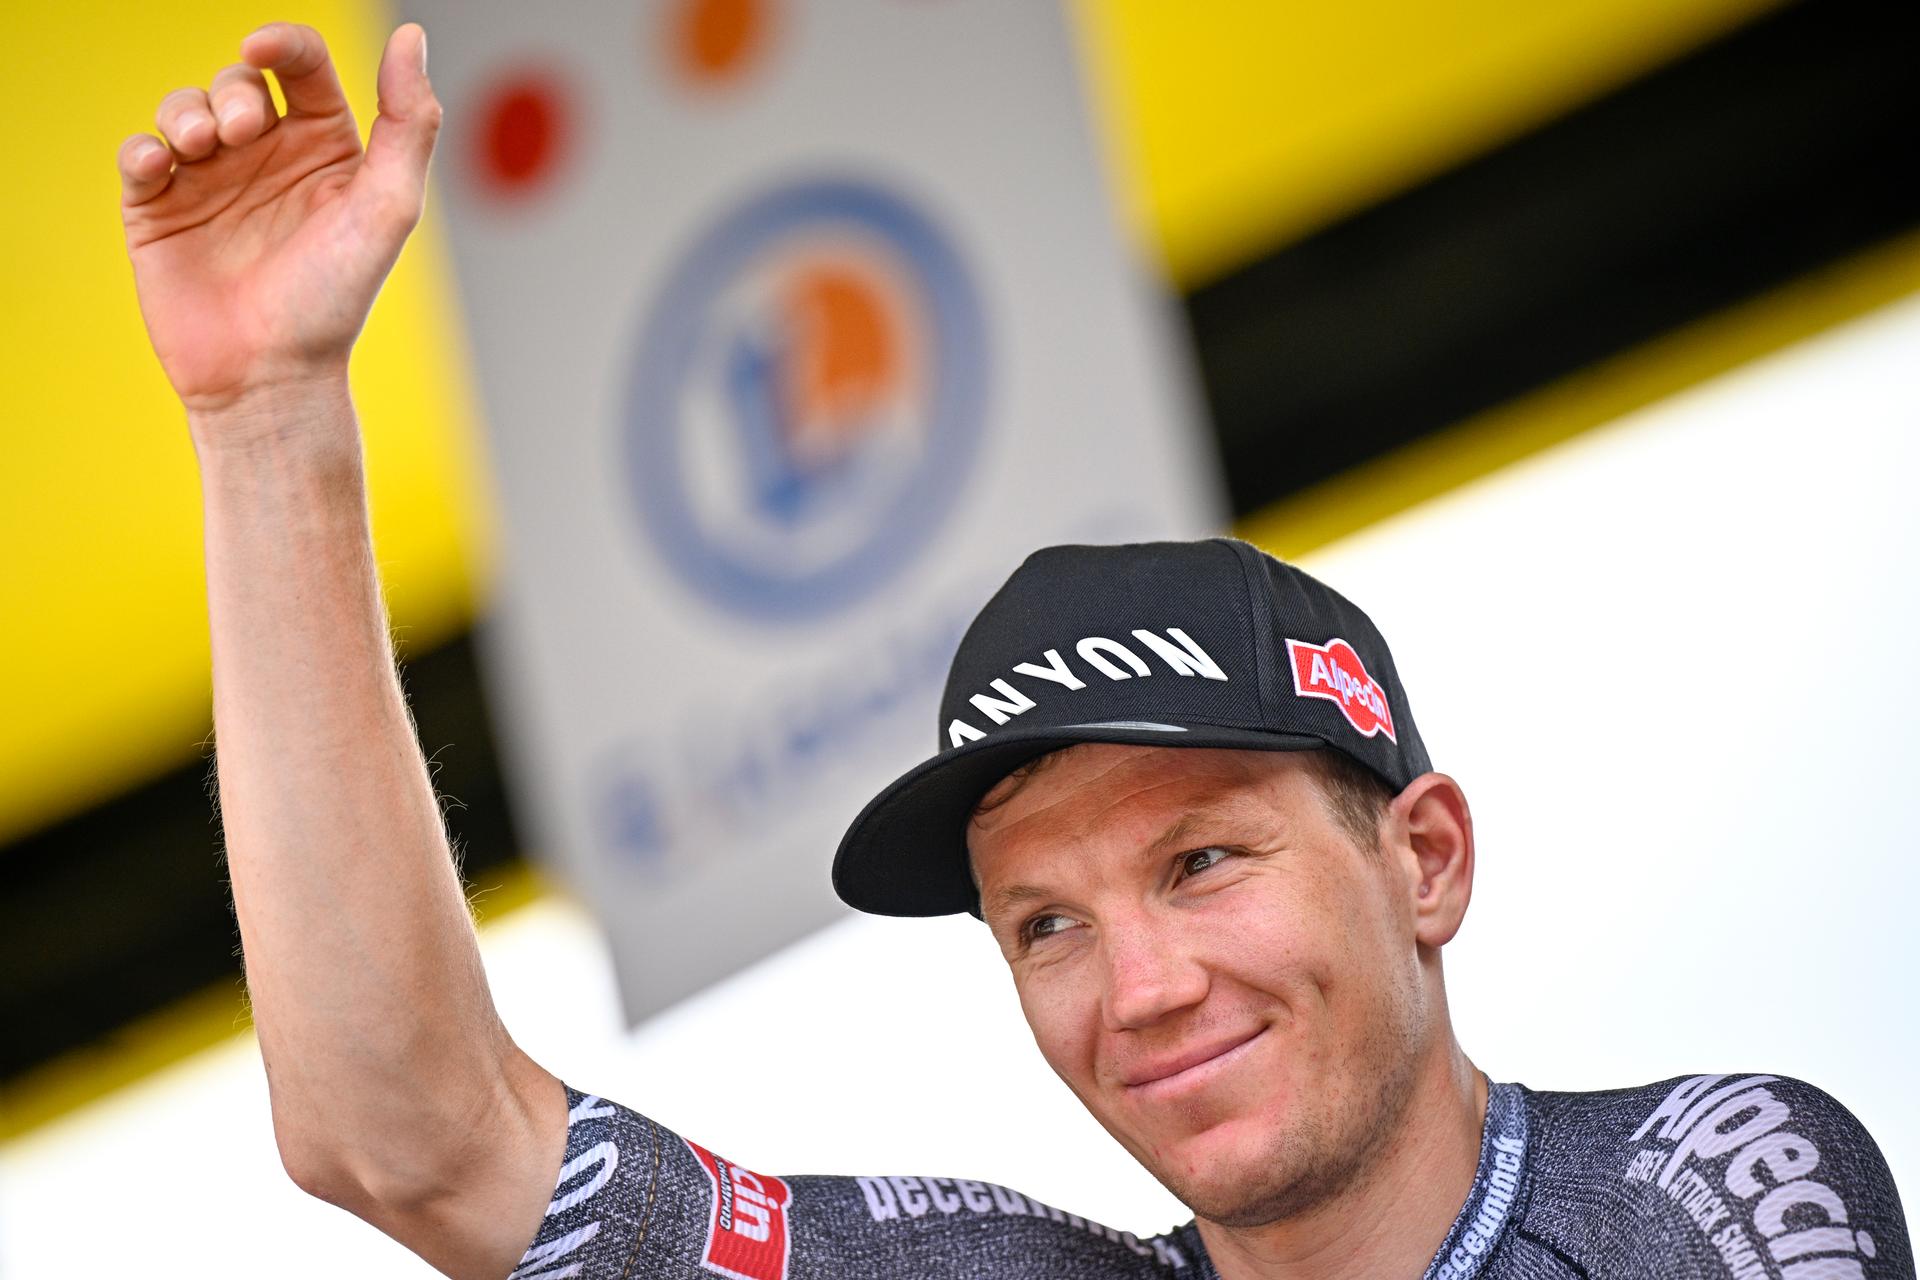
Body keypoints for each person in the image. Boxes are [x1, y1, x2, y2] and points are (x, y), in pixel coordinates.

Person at [117, 22, 1911, 1280]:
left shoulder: (1709, 1183)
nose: (1138, 991)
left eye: (1201, 861)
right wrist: (269, 417)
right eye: (1046, 922)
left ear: (1422, 858)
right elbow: (411, 1140)